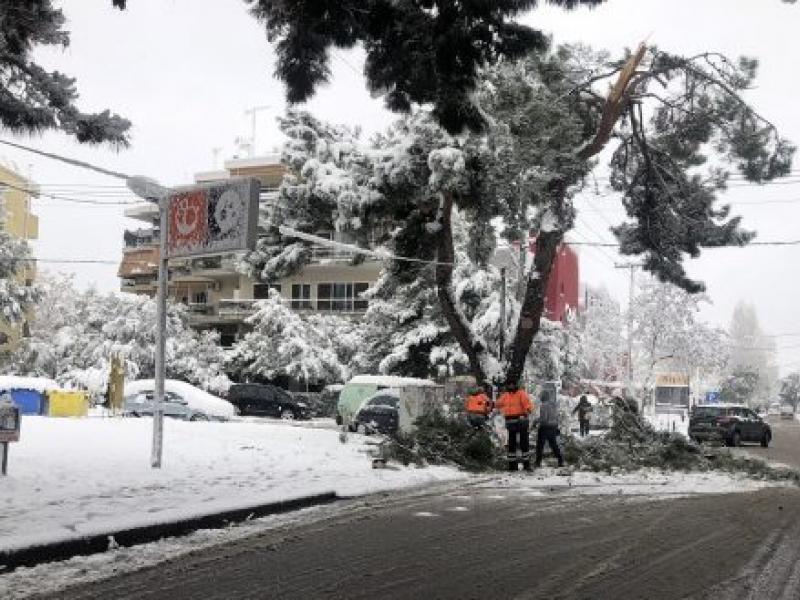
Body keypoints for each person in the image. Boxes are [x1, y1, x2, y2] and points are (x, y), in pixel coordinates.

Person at [496, 382, 533, 471]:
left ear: (516, 385)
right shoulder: (505, 395)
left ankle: (526, 465)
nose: (511, 386)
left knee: (524, 443)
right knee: (512, 444)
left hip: (521, 420)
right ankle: (512, 466)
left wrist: (528, 409)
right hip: (511, 421)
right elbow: (498, 404)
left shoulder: (521, 394)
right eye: (509, 384)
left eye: (512, 384)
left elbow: (527, 403)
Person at [535, 389, 564, 468]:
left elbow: (544, 419)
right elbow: (557, 417)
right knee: (554, 445)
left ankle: (538, 462)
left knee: (540, 446)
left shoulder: (543, 406)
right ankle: (560, 461)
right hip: (553, 427)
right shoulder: (553, 405)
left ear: (543, 397)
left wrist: (536, 421)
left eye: (541, 396)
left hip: (545, 428)